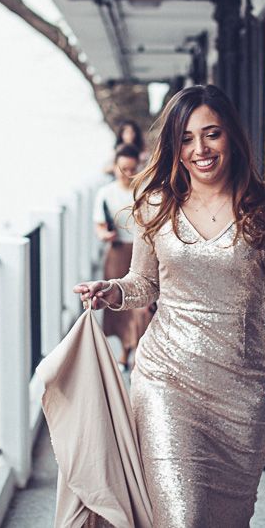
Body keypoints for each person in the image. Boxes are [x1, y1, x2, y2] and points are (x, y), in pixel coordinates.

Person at [74, 84, 265, 527]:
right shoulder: (156, 204)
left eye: (211, 134)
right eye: (185, 138)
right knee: (179, 518)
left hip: (244, 392)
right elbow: (144, 283)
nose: (200, 148)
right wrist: (115, 291)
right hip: (166, 380)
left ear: (232, 137)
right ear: (174, 146)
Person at [92, 143, 154, 369]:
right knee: (118, 302)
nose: (127, 174)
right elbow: (99, 225)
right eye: (122, 168)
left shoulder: (145, 190)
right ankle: (125, 349)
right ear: (115, 167)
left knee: (141, 303)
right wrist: (105, 234)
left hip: (142, 250)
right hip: (117, 251)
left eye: (131, 169)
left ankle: (134, 349)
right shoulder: (105, 193)